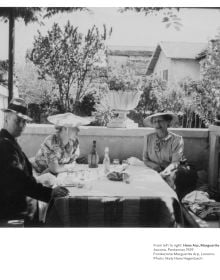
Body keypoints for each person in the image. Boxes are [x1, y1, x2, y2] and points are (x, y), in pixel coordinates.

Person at [0, 98, 69, 225]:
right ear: (6, 118)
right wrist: (49, 192)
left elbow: (20, 176)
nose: (22, 125)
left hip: (23, 209)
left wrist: (40, 180)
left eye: (24, 122)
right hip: (16, 215)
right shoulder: (4, 145)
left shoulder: (9, 141)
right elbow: (19, 180)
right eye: (18, 120)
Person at [143, 112, 197, 199]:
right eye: (155, 121)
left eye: (160, 121)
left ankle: (172, 206)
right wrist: (155, 167)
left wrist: (163, 173)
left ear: (168, 122)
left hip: (172, 170)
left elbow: (175, 162)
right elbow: (145, 159)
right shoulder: (148, 138)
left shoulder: (177, 139)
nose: (157, 124)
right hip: (154, 169)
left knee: (170, 180)